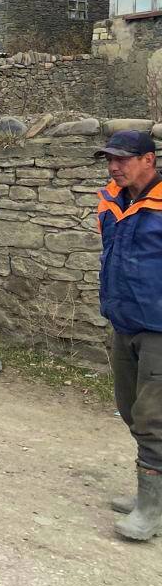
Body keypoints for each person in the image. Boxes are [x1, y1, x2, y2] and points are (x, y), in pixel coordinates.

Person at [96, 129, 162, 541]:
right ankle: (152, 492)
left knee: (153, 420)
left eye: (122, 159)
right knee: (129, 408)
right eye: (109, 159)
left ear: (149, 160)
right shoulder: (110, 200)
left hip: (159, 328)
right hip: (125, 322)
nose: (113, 167)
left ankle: (151, 510)